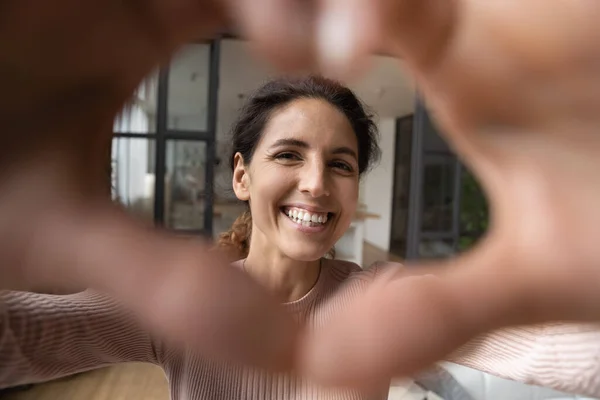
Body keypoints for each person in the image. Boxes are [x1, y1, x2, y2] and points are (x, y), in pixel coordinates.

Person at [3, 0, 600, 392]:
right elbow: (18, 342)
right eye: (288, 155)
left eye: (340, 164)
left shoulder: (381, 298)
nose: (316, 182)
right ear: (242, 177)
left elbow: (565, 354)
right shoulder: (182, 311)